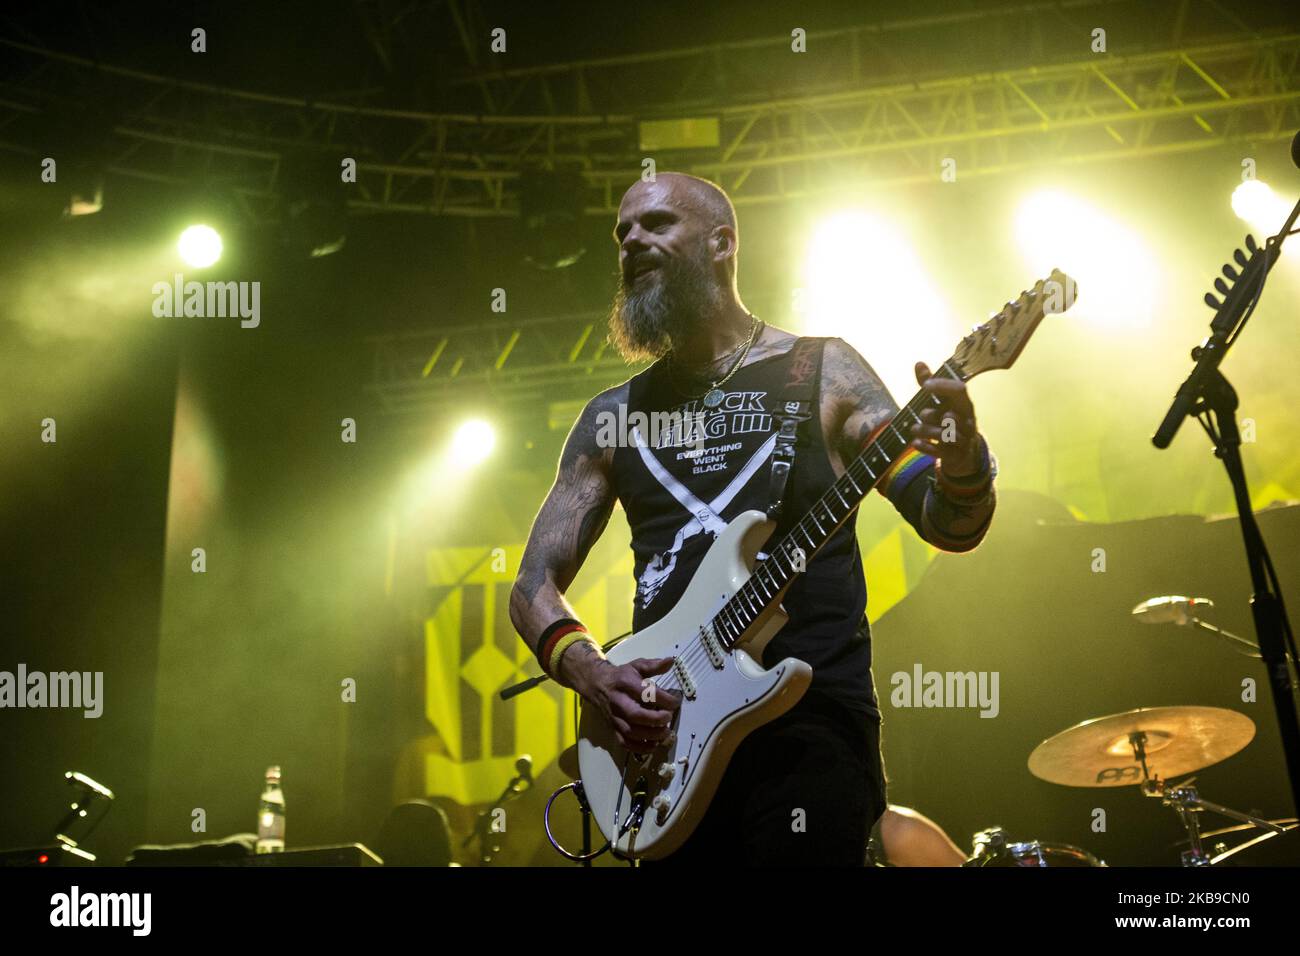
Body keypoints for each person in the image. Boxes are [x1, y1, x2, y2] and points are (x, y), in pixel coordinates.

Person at [509, 172, 997, 865]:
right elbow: (532, 583)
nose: (632, 242)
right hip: (668, 741)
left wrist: (964, 460)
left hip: (809, 731)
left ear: (722, 242)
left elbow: (951, 525)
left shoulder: (824, 372)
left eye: (655, 224)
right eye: (622, 233)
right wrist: (591, 671)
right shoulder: (612, 417)